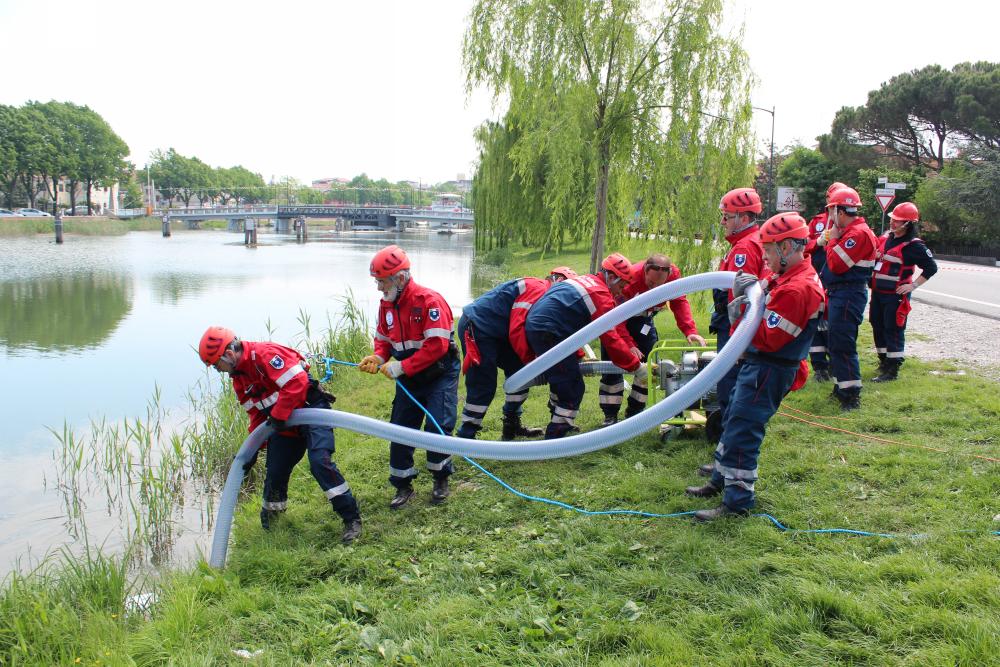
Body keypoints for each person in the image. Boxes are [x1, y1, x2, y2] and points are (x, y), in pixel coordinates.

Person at [685, 213, 825, 521]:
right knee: (733, 418)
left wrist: (738, 312)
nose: (765, 257)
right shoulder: (786, 276)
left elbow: (766, 338)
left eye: (770, 250)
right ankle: (719, 481)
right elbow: (765, 292)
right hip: (758, 366)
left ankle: (736, 503)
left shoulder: (799, 289)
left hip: (769, 369)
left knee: (743, 431)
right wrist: (750, 289)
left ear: (787, 247)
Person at [197, 326, 363, 543]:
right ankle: (272, 528)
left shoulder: (265, 355)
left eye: (217, 365)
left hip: (311, 411)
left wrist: (278, 415)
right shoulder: (239, 379)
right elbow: (256, 415)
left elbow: (297, 383)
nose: (219, 371)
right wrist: (252, 449)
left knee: (320, 462)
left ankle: (351, 519)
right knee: (275, 471)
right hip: (283, 424)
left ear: (229, 354)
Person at [358, 245, 460, 509]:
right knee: (401, 428)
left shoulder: (429, 301)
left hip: (439, 373)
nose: (379, 287)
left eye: (382, 281)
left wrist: (401, 368)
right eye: (377, 282)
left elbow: (437, 346)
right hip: (410, 376)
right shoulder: (387, 305)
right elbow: (383, 339)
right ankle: (403, 486)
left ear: (400, 278)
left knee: (437, 425)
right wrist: (378, 357)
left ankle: (440, 479)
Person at [524, 253, 645, 439]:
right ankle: (554, 439)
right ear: (611, 277)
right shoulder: (600, 294)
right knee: (572, 387)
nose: (621, 292)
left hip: (541, 328)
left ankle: (559, 421)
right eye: (621, 286)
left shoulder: (585, 280)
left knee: (562, 379)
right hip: (550, 332)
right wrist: (635, 366)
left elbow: (569, 318)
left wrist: (578, 355)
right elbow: (610, 337)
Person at [598, 253, 707, 426]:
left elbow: (679, 302)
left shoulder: (674, 277)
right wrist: (628, 344)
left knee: (649, 369)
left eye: (659, 285)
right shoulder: (629, 278)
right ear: (644, 272)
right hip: (619, 322)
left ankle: (634, 414)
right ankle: (610, 416)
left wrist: (689, 331)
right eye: (651, 283)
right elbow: (615, 316)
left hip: (644, 321)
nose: (654, 288)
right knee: (613, 367)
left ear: (669, 274)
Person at [707, 188, 769, 440]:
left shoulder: (744, 248)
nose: (722, 222)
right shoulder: (753, 242)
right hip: (742, 326)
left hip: (736, 326)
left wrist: (736, 337)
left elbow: (738, 298)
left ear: (743, 218)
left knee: (729, 383)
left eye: (727, 216)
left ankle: (729, 443)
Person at [455, 275, 549, 440]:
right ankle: (466, 436)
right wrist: (530, 360)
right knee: (483, 384)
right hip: (478, 327)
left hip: (497, 330)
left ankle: (511, 425)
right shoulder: (540, 289)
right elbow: (517, 329)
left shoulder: (543, 290)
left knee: (520, 375)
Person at [817, 186, 877, 410]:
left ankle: (851, 395)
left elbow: (836, 264)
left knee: (843, 344)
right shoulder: (852, 232)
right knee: (836, 343)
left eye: (831, 212)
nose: (830, 218)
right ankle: (840, 387)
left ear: (840, 212)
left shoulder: (857, 234)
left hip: (848, 293)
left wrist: (832, 240)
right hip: (841, 292)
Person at [869, 202, 937, 382]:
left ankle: (892, 370)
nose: (892, 223)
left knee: (893, 330)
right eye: (892, 219)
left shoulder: (914, 246)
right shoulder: (886, 237)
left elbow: (931, 268)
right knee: (877, 325)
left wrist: (912, 286)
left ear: (908, 224)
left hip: (895, 296)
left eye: (897, 221)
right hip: (878, 293)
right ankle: (884, 361)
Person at [803, 182, 846, 382]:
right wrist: (817, 242)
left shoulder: (848, 224)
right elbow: (802, 246)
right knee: (814, 322)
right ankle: (819, 367)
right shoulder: (817, 222)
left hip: (836, 282)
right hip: (816, 278)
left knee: (833, 325)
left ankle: (835, 364)